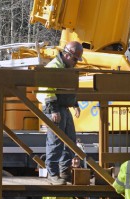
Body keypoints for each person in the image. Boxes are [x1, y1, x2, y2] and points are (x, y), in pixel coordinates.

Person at [37, 41, 84, 185]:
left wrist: (74, 103)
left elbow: (68, 89)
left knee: (69, 141)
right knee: (55, 142)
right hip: (54, 108)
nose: (76, 62)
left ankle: (64, 173)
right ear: (67, 55)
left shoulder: (66, 68)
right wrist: (53, 110)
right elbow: (47, 90)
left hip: (63, 107)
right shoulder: (54, 68)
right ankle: (53, 173)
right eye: (75, 59)